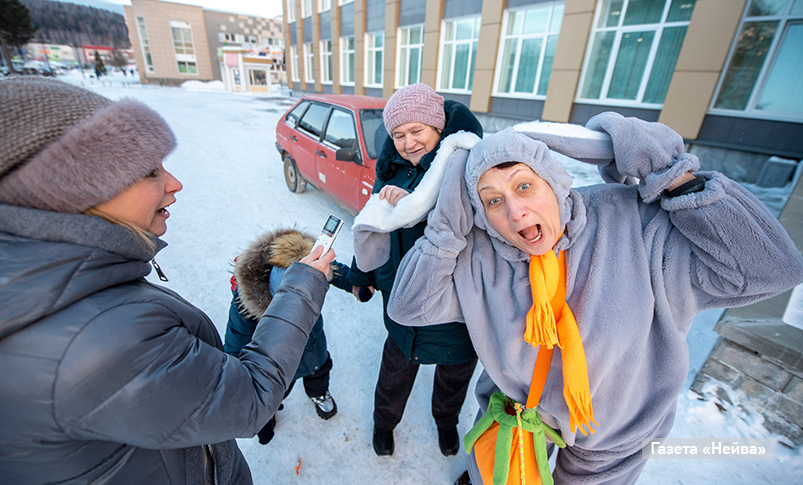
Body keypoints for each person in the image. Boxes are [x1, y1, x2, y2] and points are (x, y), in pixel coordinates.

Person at [354, 113, 803, 484]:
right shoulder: (482, 253)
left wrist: (674, 178)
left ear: (555, 181)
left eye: (524, 186)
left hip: (613, 434)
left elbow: (769, 270)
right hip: (515, 414)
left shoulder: (632, 224)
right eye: (492, 201)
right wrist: (445, 229)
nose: (515, 211)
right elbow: (409, 307)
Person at [0, 76, 335, 485]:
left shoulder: (62, 291)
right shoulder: (100, 338)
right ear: (72, 190)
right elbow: (248, 398)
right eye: (149, 171)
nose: (174, 183)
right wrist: (302, 286)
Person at [349, 83, 482, 457]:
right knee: (395, 372)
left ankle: (445, 423)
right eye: (399, 134)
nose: (408, 143)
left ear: (438, 128)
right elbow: (371, 229)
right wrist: (363, 276)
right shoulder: (390, 174)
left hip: (454, 305)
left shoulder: (465, 167)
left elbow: (476, 227)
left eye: (417, 131)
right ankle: (383, 424)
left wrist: (415, 209)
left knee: (453, 377)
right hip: (402, 298)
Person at [224, 228, 352, 444]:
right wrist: (258, 412)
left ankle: (319, 394)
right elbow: (234, 351)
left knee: (319, 370)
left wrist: (354, 282)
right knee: (274, 392)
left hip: (312, 346)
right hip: (278, 364)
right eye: (296, 304)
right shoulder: (246, 311)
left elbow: (329, 268)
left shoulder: (304, 270)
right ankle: (269, 412)